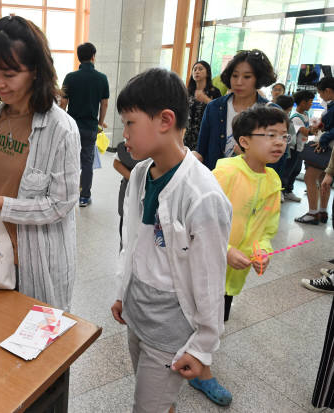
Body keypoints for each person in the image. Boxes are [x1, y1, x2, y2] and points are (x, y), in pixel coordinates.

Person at [110, 68, 232, 413]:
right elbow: (131, 240)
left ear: (165, 120)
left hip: (172, 327)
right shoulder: (138, 173)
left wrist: (203, 344)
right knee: (156, 400)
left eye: (130, 123)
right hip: (138, 310)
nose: (124, 134)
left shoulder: (202, 195)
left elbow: (210, 278)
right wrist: (123, 292)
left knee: (146, 406)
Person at [0, 15, 80, 311]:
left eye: (9, 73)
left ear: (35, 70)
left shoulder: (61, 129)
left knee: (40, 339)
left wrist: (3, 204)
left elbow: (61, 203)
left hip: (34, 256)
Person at [190, 106, 286, 406]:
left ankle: (192, 358)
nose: (280, 142)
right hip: (206, 264)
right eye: (270, 135)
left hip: (235, 271)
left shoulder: (272, 181)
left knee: (215, 318)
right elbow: (198, 220)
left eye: (284, 136)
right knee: (202, 318)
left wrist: (262, 252)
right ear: (244, 141)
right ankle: (200, 371)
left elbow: (266, 229)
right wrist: (225, 250)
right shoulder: (226, 172)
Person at [196, 49, 276, 170]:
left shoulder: (271, 113)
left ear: (258, 78)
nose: (239, 82)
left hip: (253, 184)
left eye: (247, 77)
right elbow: (201, 150)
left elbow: (277, 161)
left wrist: (249, 156)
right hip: (214, 181)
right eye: (234, 76)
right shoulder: (214, 107)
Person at [60, 42, 110, 207]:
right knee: (87, 162)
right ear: (93, 56)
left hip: (71, 127)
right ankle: (84, 197)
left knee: (70, 161)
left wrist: (60, 121)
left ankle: (68, 194)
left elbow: (63, 103)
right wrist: (100, 122)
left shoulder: (70, 77)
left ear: (79, 57)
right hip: (90, 127)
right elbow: (104, 104)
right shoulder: (101, 78)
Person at [294, 77, 334, 225]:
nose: (320, 97)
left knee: (310, 178)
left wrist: (323, 140)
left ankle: (312, 213)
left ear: (328, 91)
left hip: (327, 146)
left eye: (320, 93)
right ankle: (323, 211)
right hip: (331, 149)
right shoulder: (330, 106)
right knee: (324, 179)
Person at [283, 90, 315, 202]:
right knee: (288, 170)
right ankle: (282, 191)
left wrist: (313, 128)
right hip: (293, 148)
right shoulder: (296, 117)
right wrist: (315, 129)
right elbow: (306, 132)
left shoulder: (306, 115)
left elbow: (310, 128)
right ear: (302, 102)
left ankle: (288, 191)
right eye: (310, 101)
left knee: (296, 170)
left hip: (301, 147)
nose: (311, 104)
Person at [184, 61, 222, 150]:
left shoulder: (214, 92)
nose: (197, 71)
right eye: (195, 69)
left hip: (206, 134)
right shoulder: (188, 91)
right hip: (188, 135)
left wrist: (207, 100)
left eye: (200, 69)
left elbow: (220, 113)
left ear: (207, 73)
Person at [112, 141, 140, 250]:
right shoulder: (128, 142)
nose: (125, 133)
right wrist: (134, 179)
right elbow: (116, 163)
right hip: (129, 191)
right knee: (125, 229)